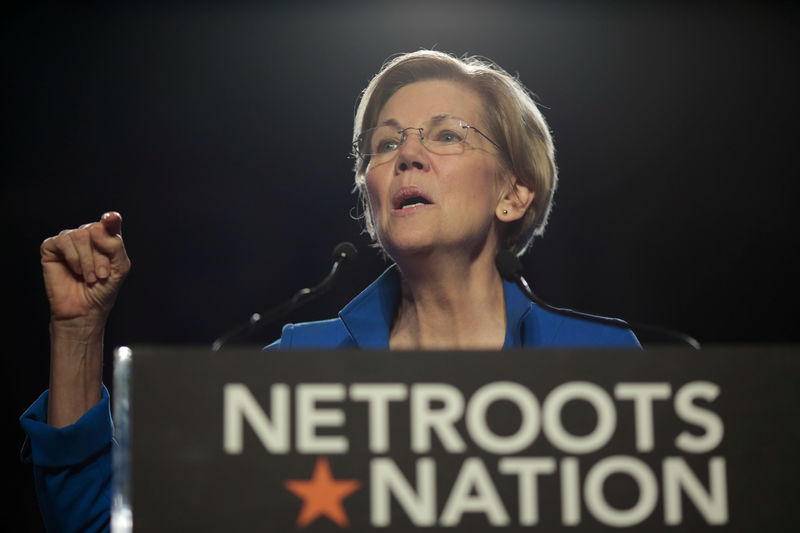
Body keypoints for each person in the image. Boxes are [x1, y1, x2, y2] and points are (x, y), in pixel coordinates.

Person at [20, 50, 639, 532]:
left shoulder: (603, 362)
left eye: (446, 135)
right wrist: (78, 332)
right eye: (386, 143)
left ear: (514, 192)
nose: (408, 156)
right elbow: (104, 524)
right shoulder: (298, 373)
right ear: (371, 196)